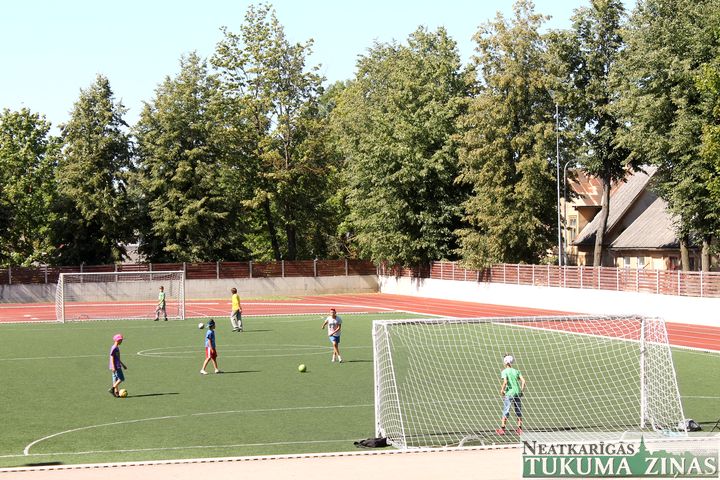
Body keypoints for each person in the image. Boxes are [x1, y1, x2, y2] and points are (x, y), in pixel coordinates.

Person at [496, 354, 526, 435]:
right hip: (517, 392)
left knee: (506, 410)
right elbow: (523, 381)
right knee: (518, 410)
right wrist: (521, 391)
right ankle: (519, 429)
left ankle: (502, 429)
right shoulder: (516, 371)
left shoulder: (504, 371)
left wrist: (502, 390)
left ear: (505, 362)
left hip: (509, 393)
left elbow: (505, 382)